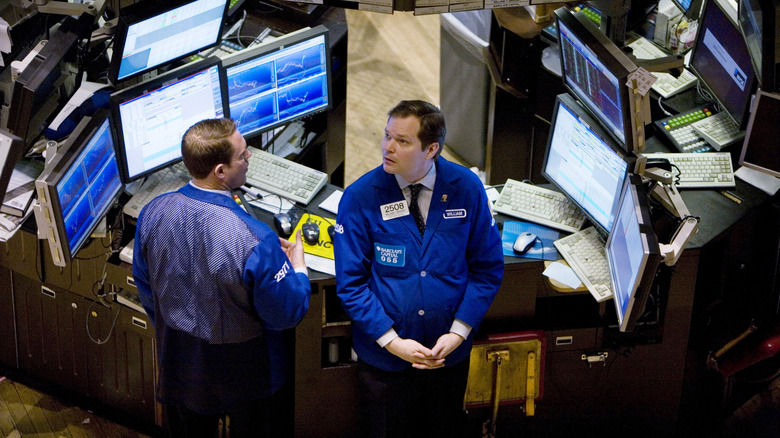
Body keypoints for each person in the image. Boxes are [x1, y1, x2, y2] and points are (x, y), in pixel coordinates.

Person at [333, 100, 504, 438]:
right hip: (386, 362)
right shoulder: (360, 197)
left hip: (448, 358)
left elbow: (487, 268)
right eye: (386, 136)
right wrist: (393, 342)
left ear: (431, 149)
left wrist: (458, 332)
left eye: (402, 141)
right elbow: (351, 284)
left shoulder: (466, 188)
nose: (388, 147)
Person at [132, 118, 311, 438]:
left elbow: (147, 291)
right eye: (243, 155)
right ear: (220, 171)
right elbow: (287, 312)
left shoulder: (152, 213)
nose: (249, 159)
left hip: (180, 363)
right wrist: (297, 267)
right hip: (247, 371)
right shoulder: (255, 239)